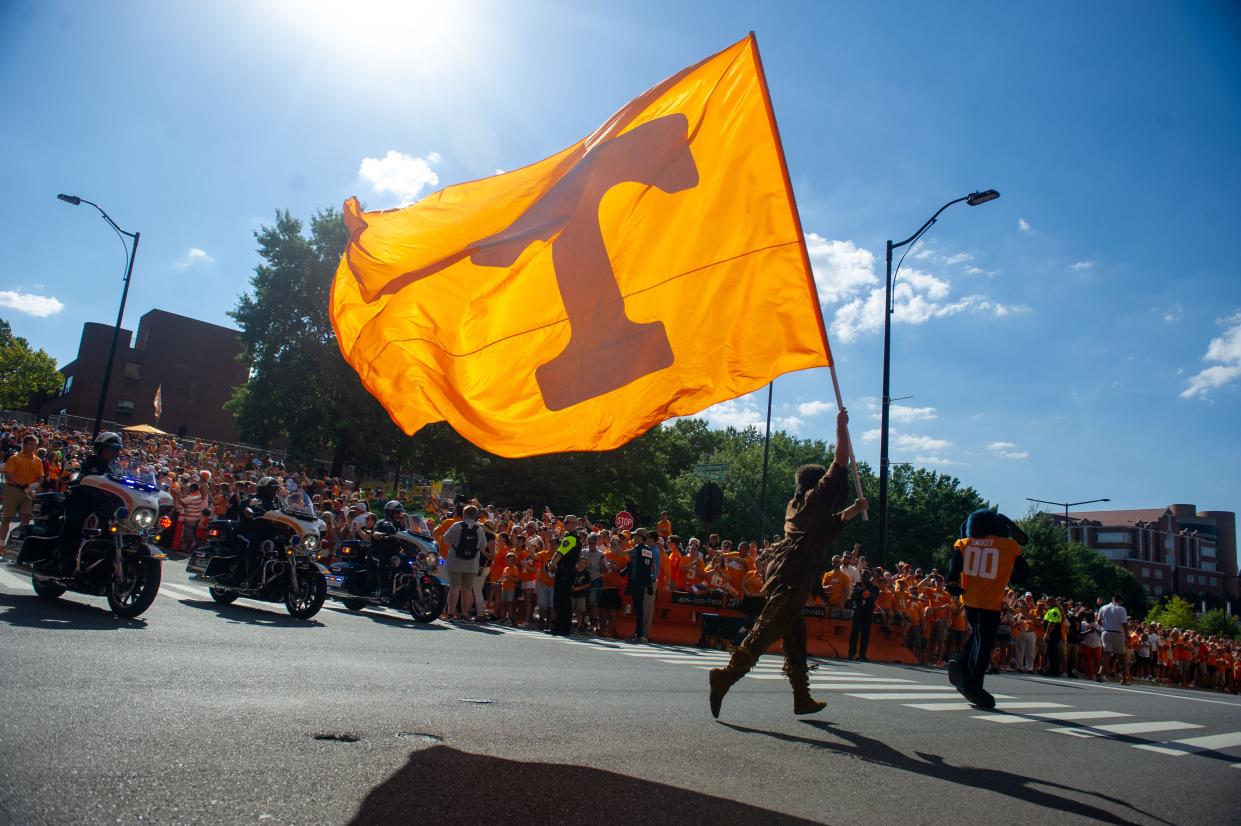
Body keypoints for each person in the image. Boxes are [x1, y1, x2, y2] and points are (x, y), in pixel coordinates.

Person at [709, 408, 868, 718]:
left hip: (789, 571)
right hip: (794, 573)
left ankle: (801, 698)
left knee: (795, 635)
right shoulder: (814, 499)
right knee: (767, 629)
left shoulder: (799, 505)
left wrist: (852, 510)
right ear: (815, 483)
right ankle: (726, 677)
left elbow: (827, 525)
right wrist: (841, 427)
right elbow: (840, 462)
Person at [945, 508, 1030, 710]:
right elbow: (1023, 572)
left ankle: (962, 661)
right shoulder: (1008, 546)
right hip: (990, 602)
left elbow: (954, 565)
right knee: (984, 644)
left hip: (970, 599)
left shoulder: (965, 544)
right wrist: (1016, 578)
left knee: (978, 635)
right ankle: (973, 683)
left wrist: (953, 580)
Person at [53, 431, 122, 575]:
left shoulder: (116, 468)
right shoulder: (91, 461)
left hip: (105, 506)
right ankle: (65, 560)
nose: (113, 453)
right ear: (100, 448)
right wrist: (77, 476)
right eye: (110, 449)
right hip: (82, 502)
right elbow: (78, 474)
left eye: (115, 450)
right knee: (75, 523)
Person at [442, 504, 483, 622]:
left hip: (456, 561)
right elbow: (483, 546)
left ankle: (450, 614)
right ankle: (464, 615)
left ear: (464, 514)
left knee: (454, 588)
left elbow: (445, 539)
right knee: (467, 589)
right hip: (472, 563)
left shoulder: (456, 526)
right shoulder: (479, 529)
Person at [1, 434, 44, 543]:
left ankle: (15, 541)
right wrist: (20, 485)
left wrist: (33, 486)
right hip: (13, 490)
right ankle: (1, 545)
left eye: (35, 445)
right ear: (24, 444)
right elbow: (8, 475)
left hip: (28, 492)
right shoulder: (14, 458)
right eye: (30, 444)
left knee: (27, 518)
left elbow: (41, 478)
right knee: (7, 519)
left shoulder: (38, 461)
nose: (33, 447)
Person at [626, 527, 659, 643]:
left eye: (636, 536)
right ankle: (640, 634)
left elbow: (625, 554)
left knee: (639, 609)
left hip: (638, 583)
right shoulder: (648, 550)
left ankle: (640, 634)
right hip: (645, 583)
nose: (634, 537)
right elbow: (650, 567)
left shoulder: (638, 548)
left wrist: (617, 548)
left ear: (641, 537)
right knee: (640, 609)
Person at [550, 520, 582, 636]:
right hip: (569, 572)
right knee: (565, 600)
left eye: (566, 522)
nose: (564, 524)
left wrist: (552, 563)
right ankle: (564, 627)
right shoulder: (575, 538)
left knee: (560, 600)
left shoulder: (570, 538)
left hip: (564, 572)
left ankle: (560, 627)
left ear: (573, 524)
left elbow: (559, 553)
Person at [1098, 593, 1131, 685]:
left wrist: (1105, 626)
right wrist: (1127, 635)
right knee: (1121, 657)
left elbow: (1099, 621)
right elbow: (1124, 623)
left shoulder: (1103, 607)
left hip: (1106, 632)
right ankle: (1124, 679)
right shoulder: (1121, 609)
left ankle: (1100, 672)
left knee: (1106, 654)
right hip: (1118, 633)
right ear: (1119, 600)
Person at [847, 569, 878, 661]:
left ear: (869, 577)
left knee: (865, 634)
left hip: (868, 612)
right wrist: (856, 590)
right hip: (858, 611)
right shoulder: (857, 585)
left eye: (866, 575)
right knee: (854, 632)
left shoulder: (874, 588)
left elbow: (874, 597)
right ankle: (851, 654)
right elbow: (852, 598)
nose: (864, 577)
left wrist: (864, 589)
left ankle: (862, 655)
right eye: (862, 575)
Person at [1041, 599, 1064, 677]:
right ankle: (1051, 668)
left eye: (1047, 602)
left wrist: (1047, 634)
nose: (1046, 603)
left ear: (1052, 602)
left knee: (1052, 652)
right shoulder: (1050, 610)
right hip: (1052, 634)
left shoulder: (1054, 610)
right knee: (1050, 651)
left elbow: (1051, 623)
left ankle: (1053, 670)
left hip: (1053, 634)